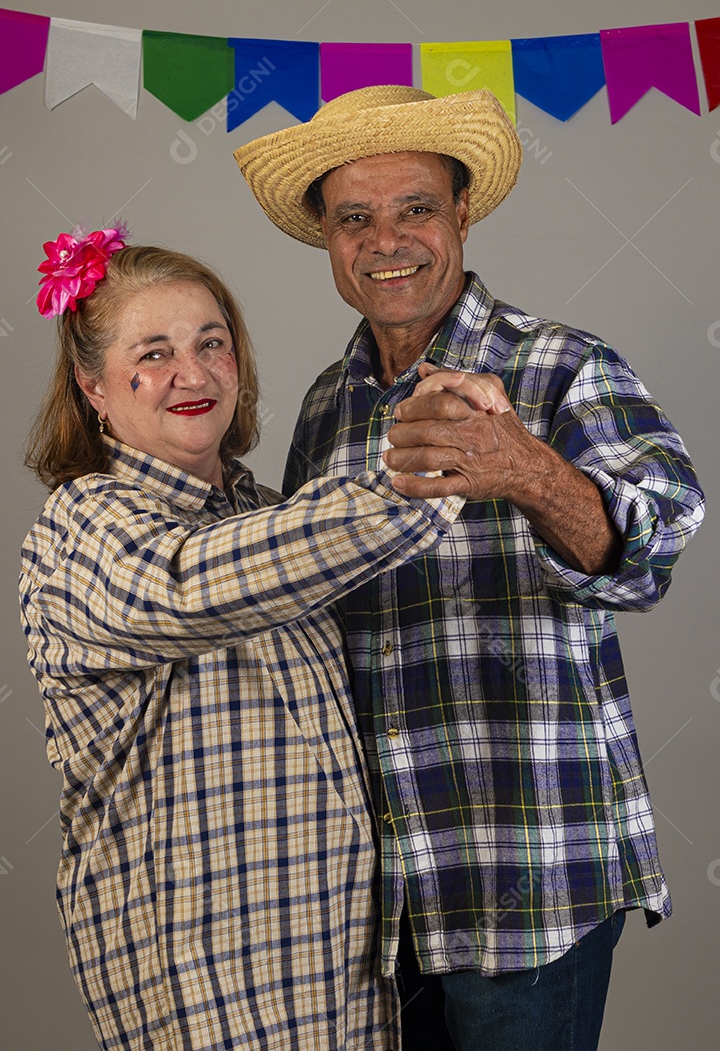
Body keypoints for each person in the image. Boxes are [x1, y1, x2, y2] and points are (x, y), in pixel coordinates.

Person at [233, 85, 706, 1050]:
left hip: (527, 874)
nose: (386, 240)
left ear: (460, 217)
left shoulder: (561, 366)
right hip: (376, 898)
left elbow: (663, 530)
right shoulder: (328, 406)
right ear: (328, 240)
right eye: (353, 218)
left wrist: (530, 472)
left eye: (415, 209)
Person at [19, 228, 466, 1051]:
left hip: (344, 971)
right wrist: (426, 471)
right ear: (94, 387)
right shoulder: (80, 525)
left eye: (210, 344)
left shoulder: (263, 511)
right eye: (152, 353)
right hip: (206, 973)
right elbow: (192, 587)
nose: (191, 374)